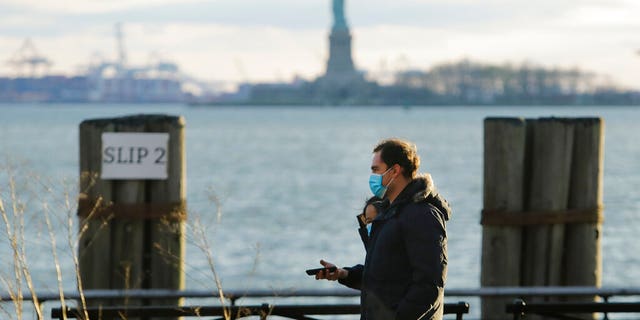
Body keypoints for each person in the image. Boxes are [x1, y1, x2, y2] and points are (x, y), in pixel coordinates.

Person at [315, 138, 451, 320]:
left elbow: (429, 285)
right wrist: (345, 274)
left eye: (376, 170)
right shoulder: (390, 213)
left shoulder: (421, 215)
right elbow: (385, 276)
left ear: (395, 170)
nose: (372, 177)